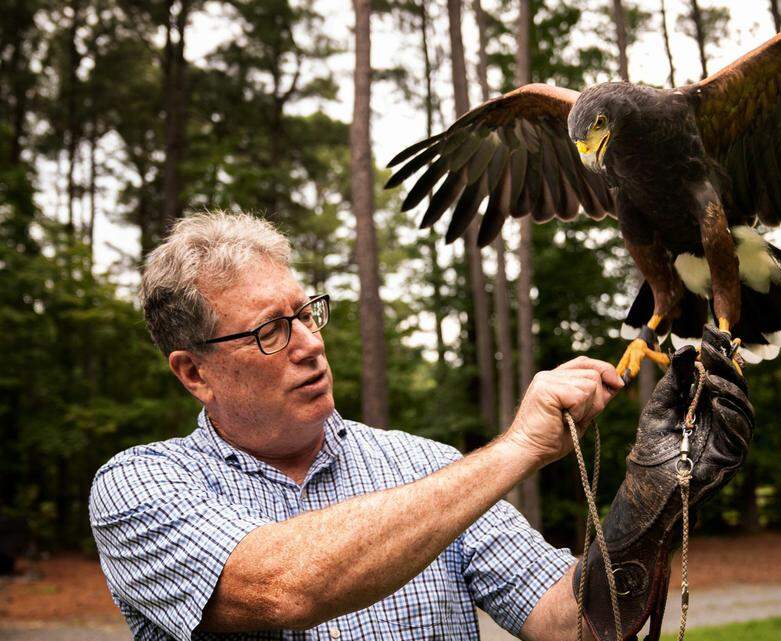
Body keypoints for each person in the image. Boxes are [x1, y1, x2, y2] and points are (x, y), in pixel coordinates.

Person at [89, 211, 625, 641]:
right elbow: (285, 587)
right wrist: (519, 448)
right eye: (272, 330)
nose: (311, 344)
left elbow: (571, 623)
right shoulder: (138, 486)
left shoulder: (428, 466)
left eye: (306, 313)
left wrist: (657, 484)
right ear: (194, 372)